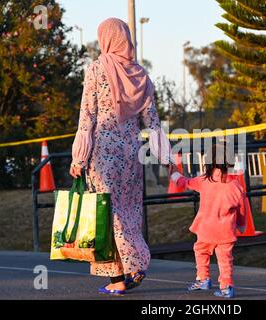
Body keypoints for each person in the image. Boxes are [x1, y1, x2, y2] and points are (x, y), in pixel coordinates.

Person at [69, 18, 166, 296]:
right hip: (131, 154)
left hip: (102, 154)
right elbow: (153, 121)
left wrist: (78, 160)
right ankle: (123, 275)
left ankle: (131, 267)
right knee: (130, 211)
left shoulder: (97, 69)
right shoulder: (140, 75)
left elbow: (87, 117)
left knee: (107, 213)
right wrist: (164, 155)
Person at [169, 143, 246, 298]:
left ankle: (203, 279)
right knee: (225, 260)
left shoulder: (204, 180)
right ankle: (226, 287)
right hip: (226, 231)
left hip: (206, 229)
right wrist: (241, 225)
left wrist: (174, 174)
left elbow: (185, 182)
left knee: (201, 251)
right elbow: (241, 208)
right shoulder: (235, 185)